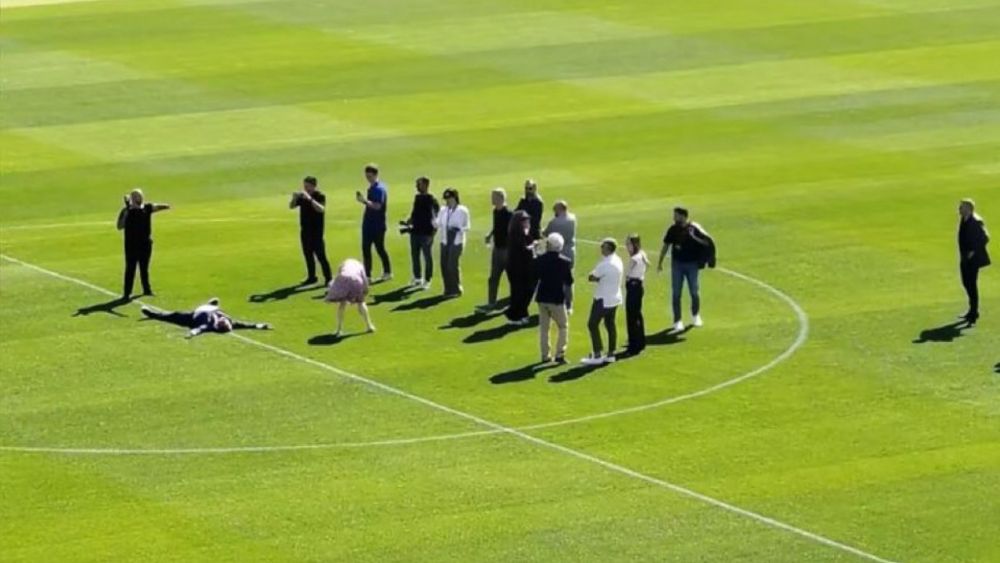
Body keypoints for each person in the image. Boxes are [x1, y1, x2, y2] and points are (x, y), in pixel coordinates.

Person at [658, 207, 714, 332]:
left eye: (676, 215)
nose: (674, 218)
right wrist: (660, 262)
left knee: (694, 291)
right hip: (677, 264)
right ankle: (677, 321)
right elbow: (666, 245)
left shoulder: (694, 228)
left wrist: (694, 237)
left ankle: (695, 315)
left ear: (683, 216)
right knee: (676, 293)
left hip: (692, 264)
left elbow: (706, 243)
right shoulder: (672, 229)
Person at [116, 188, 170, 300]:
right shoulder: (126, 211)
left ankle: (147, 290)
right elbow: (120, 226)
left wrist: (165, 206)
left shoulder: (146, 208)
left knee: (144, 268)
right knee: (130, 269)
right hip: (131, 245)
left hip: (145, 243)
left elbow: (156, 207)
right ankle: (127, 293)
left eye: (139, 196)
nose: (137, 198)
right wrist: (127, 211)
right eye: (135, 196)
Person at [141, 298, 270, 338]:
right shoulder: (229, 321)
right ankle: (211, 304)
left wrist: (191, 333)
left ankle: (151, 314)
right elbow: (244, 325)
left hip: (192, 317)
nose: (225, 320)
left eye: (223, 322)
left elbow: (200, 329)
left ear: (219, 325)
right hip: (209, 309)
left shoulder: (208, 324)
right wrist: (259, 326)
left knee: (172, 316)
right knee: (214, 304)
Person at [582, 238, 624, 365]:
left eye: (603, 247)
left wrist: (597, 279)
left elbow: (592, 277)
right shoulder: (618, 260)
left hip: (602, 299)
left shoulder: (604, 264)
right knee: (610, 324)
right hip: (615, 298)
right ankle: (611, 353)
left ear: (608, 249)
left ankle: (597, 354)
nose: (601, 248)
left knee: (592, 324)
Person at [535, 233, 574, 364]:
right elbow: (568, 282)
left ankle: (545, 355)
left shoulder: (541, 260)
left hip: (542, 297)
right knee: (563, 326)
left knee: (544, 329)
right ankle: (559, 354)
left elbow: (535, 274)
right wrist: (569, 303)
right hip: (557, 299)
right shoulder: (565, 262)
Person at [288, 176, 332, 286]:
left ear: (313, 186)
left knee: (321, 256)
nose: (305, 188)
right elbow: (291, 206)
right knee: (307, 254)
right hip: (305, 230)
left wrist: (310, 199)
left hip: (316, 232)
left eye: (307, 186)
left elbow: (321, 209)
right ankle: (312, 276)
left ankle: (328, 278)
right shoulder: (302, 197)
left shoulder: (320, 196)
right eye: (304, 186)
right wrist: (294, 198)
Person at [476, 188, 513, 312]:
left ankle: (514, 303)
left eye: (493, 197)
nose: (491, 199)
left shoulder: (509, 214)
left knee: (512, 278)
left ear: (500, 198)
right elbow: (496, 227)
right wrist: (490, 235)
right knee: (493, 278)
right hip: (497, 249)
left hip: (507, 251)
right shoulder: (495, 212)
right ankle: (491, 303)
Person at [401, 176, 439, 290]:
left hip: (426, 233)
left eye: (419, 184)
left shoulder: (431, 199)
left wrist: (433, 231)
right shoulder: (417, 198)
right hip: (415, 231)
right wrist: (408, 221)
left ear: (426, 185)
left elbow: (436, 216)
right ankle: (417, 278)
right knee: (415, 255)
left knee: (427, 257)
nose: (417, 186)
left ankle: (427, 279)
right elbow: (414, 213)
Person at [356, 163, 391, 282]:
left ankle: (387, 271)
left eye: (370, 176)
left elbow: (378, 206)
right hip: (368, 223)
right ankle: (368, 275)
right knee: (366, 249)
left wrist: (364, 201)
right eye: (367, 176)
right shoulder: (372, 187)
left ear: (376, 175)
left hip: (377, 224)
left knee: (380, 248)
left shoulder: (379, 189)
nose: (368, 179)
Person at [958, 199, 991, 325]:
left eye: (962, 207)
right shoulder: (964, 219)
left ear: (969, 209)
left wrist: (973, 251)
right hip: (964, 257)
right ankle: (972, 309)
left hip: (973, 260)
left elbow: (985, 237)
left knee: (971, 285)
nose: (959, 209)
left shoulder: (976, 221)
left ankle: (973, 312)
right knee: (966, 283)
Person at [324, 258, 376, 335]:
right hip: (356, 280)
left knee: (342, 304)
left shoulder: (343, 265)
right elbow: (365, 281)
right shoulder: (360, 266)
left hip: (343, 279)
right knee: (361, 303)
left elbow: (338, 277)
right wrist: (365, 292)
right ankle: (369, 326)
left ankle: (339, 329)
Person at [543, 200, 577, 312]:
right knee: (569, 280)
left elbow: (546, 233)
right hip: (570, 251)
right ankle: (569, 305)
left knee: (556, 279)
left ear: (560, 209)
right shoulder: (572, 219)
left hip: (558, 252)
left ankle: (557, 302)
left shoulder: (554, 222)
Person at [436, 188, 471, 297]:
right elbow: (438, 223)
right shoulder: (443, 210)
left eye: (449, 199)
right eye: (446, 199)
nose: (447, 201)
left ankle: (456, 288)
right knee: (444, 265)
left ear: (455, 198)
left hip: (457, 241)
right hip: (445, 240)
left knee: (452, 264)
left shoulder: (462, 210)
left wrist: (459, 229)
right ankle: (448, 289)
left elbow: (467, 226)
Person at [504, 210, 536, 325]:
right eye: (525, 220)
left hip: (523, 268)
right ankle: (516, 316)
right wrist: (534, 246)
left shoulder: (524, 233)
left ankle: (521, 313)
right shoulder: (516, 234)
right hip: (517, 268)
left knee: (524, 291)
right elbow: (523, 250)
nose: (527, 222)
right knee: (520, 292)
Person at [624, 234, 650, 355]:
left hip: (633, 286)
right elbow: (648, 264)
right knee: (637, 314)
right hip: (639, 284)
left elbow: (627, 273)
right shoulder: (642, 254)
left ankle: (633, 344)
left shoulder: (634, 259)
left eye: (628, 244)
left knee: (631, 316)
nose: (627, 246)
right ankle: (640, 341)